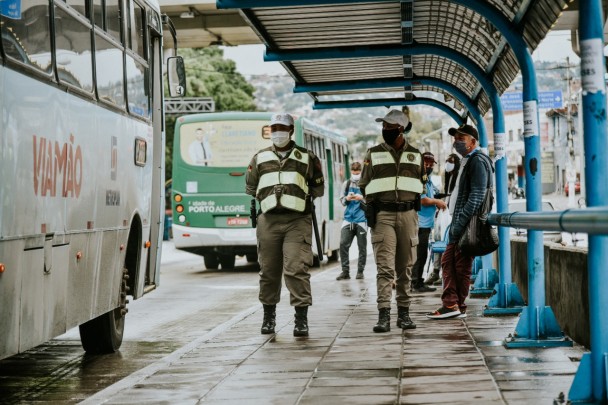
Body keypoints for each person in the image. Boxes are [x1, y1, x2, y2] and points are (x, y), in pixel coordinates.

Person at [245, 113, 325, 337]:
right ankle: (268, 318)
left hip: (297, 220)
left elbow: (318, 188)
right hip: (268, 220)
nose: (277, 132)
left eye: (281, 127)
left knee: (296, 269)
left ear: (290, 130)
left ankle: (301, 319)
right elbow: (251, 187)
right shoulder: (259, 158)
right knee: (268, 271)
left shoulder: (307, 157)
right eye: (274, 128)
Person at [359, 109, 423, 332]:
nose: (384, 130)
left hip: (408, 215)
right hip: (383, 215)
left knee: (405, 267)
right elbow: (363, 184)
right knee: (385, 267)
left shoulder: (416, 155)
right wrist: (372, 207)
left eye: (389, 127)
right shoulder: (373, 153)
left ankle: (404, 314)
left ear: (401, 129)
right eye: (383, 126)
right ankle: (383, 315)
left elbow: (420, 186)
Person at [426, 124, 493, 319]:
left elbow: (478, 195)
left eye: (461, 139)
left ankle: (451, 304)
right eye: (455, 139)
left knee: (451, 262)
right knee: (457, 264)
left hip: (466, 223)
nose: (457, 142)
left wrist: (460, 221)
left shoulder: (477, 161)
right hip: (463, 222)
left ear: (473, 142)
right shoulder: (469, 160)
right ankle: (457, 305)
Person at [410, 152, 447, 292]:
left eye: (431, 165)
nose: (429, 167)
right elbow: (422, 199)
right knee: (419, 255)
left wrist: (437, 198)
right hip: (419, 223)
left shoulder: (427, 179)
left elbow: (429, 195)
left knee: (423, 254)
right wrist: (436, 201)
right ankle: (415, 283)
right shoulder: (418, 179)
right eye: (426, 165)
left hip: (426, 223)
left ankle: (418, 281)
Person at [425, 153, 461, 286]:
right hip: (444, 216)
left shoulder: (458, 179)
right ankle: (436, 271)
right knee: (439, 242)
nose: (448, 164)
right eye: (446, 161)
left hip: (453, 217)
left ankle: (446, 273)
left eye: (450, 161)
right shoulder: (446, 179)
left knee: (448, 246)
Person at [336, 161, 367, 280]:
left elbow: (371, 200)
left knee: (362, 247)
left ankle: (360, 272)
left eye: (358, 173)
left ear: (361, 172)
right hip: (348, 219)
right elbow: (342, 201)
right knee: (343, 244)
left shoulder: (365, 184)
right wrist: (347, 198)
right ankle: (345, 271)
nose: (356, 175)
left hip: (361, 220)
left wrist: (362, 198)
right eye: (354, 173)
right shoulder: (346, 184)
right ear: (351, 172)